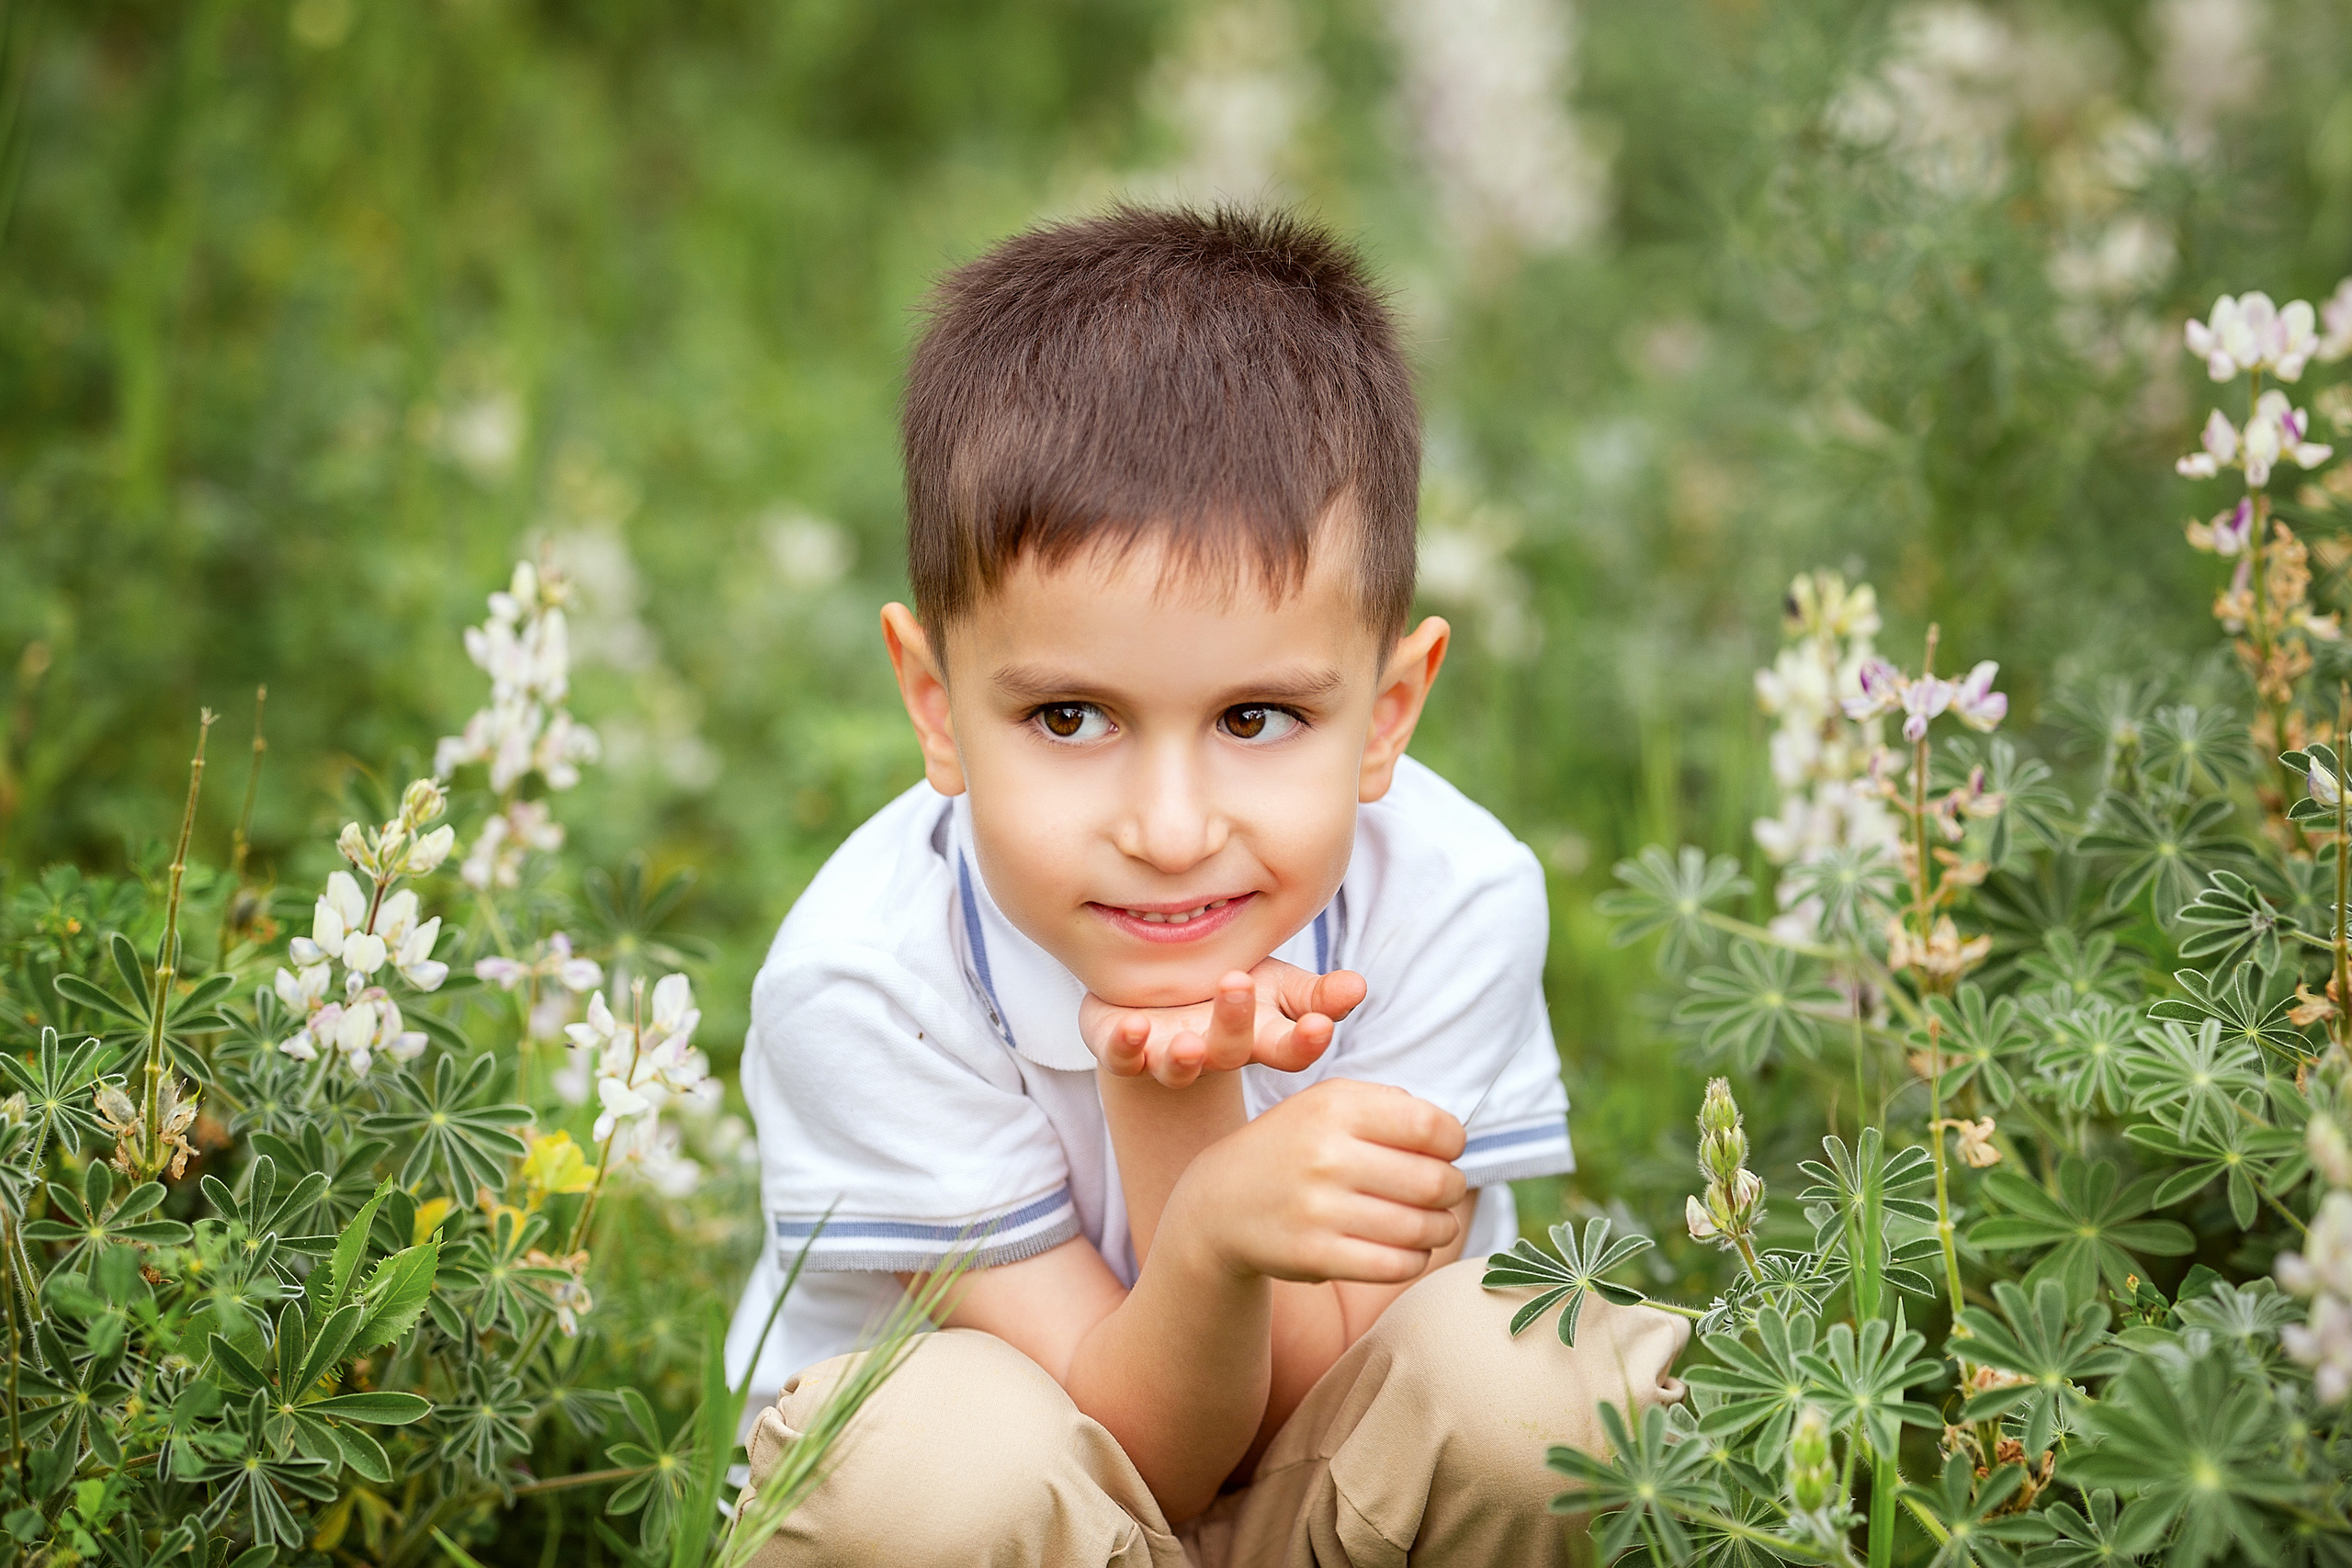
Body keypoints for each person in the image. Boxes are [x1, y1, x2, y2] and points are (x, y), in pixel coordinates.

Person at [726, 204, 1686, 1567]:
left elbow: (1333, 1409)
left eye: (1254, 720)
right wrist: (1208, 1218)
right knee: (932, 1456)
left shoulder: (1452, 895)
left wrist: (1208, 1165)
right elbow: (1132, 1472)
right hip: (1020, 1523)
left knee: (1528, 1376)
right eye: (1069, 717)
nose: (1170, 831)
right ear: (935, 704)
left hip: (1329, 1488)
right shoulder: (871, 980)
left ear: (1389, 709)